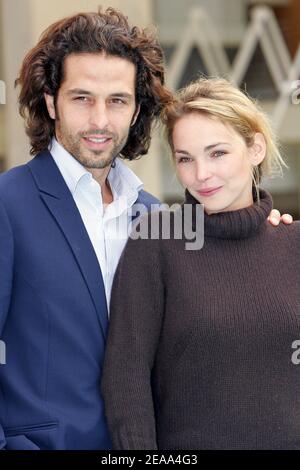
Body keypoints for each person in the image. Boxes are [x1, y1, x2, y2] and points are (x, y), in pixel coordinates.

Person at [0, 8, 172, 450]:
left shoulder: (154, 217)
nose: (99, 120)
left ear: (136, 111)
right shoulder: (7, 203)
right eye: (81, 98)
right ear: (51, 101)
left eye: (117, 100)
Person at [102, 77, 300, 450]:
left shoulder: (294, 242)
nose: (201, 175)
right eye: (185, 159)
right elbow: (126, 377)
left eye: (217, 153)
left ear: (255, 147)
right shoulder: (157, 239)